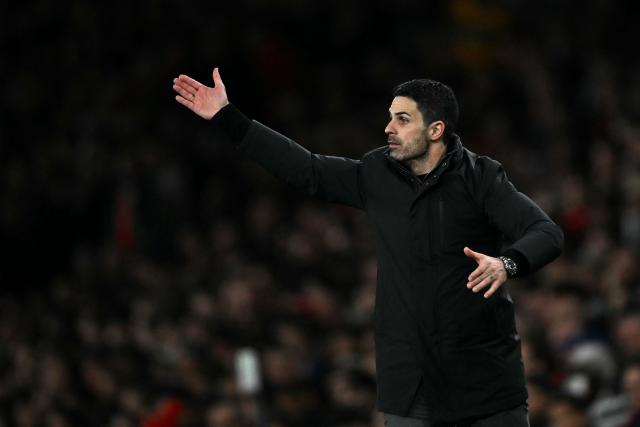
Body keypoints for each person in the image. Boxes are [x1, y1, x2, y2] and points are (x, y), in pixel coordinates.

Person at [172, 68, 563, 426]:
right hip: (412, 387)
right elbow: (307, 169)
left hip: (486, 385)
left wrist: (506, 264)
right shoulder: (378, 173)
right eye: (390, 116)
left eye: (402, 119)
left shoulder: (482, 179)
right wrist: (228, 117)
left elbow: (545, 232)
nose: (388, 127)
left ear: (435, 130)